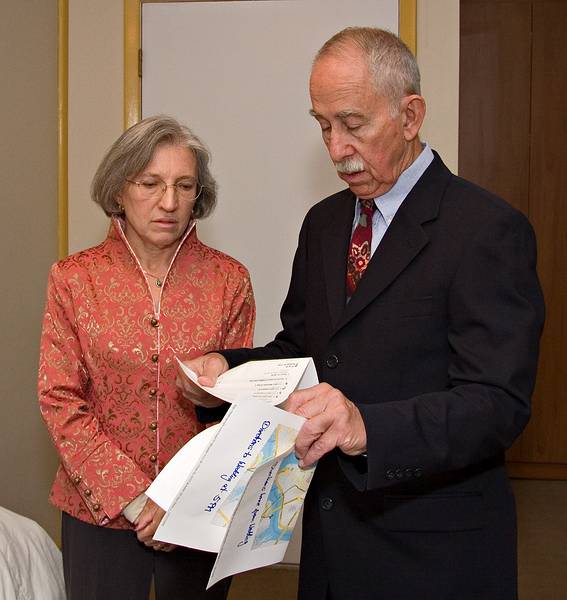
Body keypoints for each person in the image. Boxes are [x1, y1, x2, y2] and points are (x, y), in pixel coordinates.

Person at [177, 28, 545, 600]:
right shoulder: (324, 224)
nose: (336, 147)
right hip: (331, 544)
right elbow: (305, 352)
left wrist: (367, 426)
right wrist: (226, 371)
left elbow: (497, 403)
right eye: (323, 125)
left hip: (435, 553)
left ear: (410, 114)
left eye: (353, 124)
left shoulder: (485, 229)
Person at [38, 115, 255, 599]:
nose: (169, 202)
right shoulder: (74, 280)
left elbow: (239, 411)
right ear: (119, 190)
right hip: (98, 512)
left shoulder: (229, 281)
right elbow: (60, 400)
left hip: (199, 513)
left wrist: (186, 497)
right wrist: (136, 501)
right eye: (150, 183)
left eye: (184, 186)